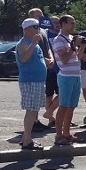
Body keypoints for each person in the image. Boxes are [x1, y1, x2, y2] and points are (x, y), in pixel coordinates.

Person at [15, 18, 48, 150]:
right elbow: (23, 58)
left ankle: (25, 139)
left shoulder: (33, 43)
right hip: (30, 80)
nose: (38, 29)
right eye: (35, 27)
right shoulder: (24, 43)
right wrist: (34, 43)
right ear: (27, 29)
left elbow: (34, 58)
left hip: (38, 80)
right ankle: (28, 140)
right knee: (31, 110)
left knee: (34, 110)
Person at [51, 14, 83, 145]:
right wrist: (73, 47)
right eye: (71, 23)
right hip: (65, 77)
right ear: (63, 24)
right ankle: (58, 136)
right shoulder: (59, 40)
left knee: (71, 107)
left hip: (76, 76)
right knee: (63, 107)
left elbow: (78, 57)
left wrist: (82, 46)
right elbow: (63, 60)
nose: (73, 25)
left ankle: (67, 133)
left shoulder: (70, 38)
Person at [26, 8, 54, 131]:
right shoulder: (29, 32)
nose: (40, 18)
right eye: (37, 16)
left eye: (41, 15)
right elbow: (31, 50)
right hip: (34, 68)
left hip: (44, 66)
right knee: (33, 96)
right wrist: (44, 59)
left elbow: (47, 47)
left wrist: (51, 58)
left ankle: (36, 120)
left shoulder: (43, 31)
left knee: (39, 95)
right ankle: (33, 122)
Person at [43, 15, 61, 127]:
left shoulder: (62, 35)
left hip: (61, 69)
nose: (57, 24)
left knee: (62, 94)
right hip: (49, 69)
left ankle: (50, 114)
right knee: (49, 94)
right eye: (54, 22)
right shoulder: (44, 35)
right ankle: (51, 119)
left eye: (58, 22)